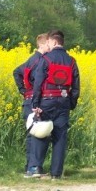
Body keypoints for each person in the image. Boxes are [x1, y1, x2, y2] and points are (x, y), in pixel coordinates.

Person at [27, 30, 80, 179]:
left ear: (54, 42)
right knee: (60, 137)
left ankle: (36, 167)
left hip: (46, 101)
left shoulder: (46, 58)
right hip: (63, 102)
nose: (48, 45)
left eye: (49, 42)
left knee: (41, 133)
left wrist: (35, 103)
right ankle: (56, 174)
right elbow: (76, 86)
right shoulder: (72, 61)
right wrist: (71, 103)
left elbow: (38, 82)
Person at [12, 33, 50, 174]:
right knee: (37, 133)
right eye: (48, 44)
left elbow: (17, 71)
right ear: (41, 44)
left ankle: (29, 166)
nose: (50, 46)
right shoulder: (38, 60)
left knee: (31, 132)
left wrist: (23, 90)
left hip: (29, 100)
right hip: (34, 100)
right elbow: (16, 72)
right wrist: (23, 90)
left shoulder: (32, 60)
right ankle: (33, 167)